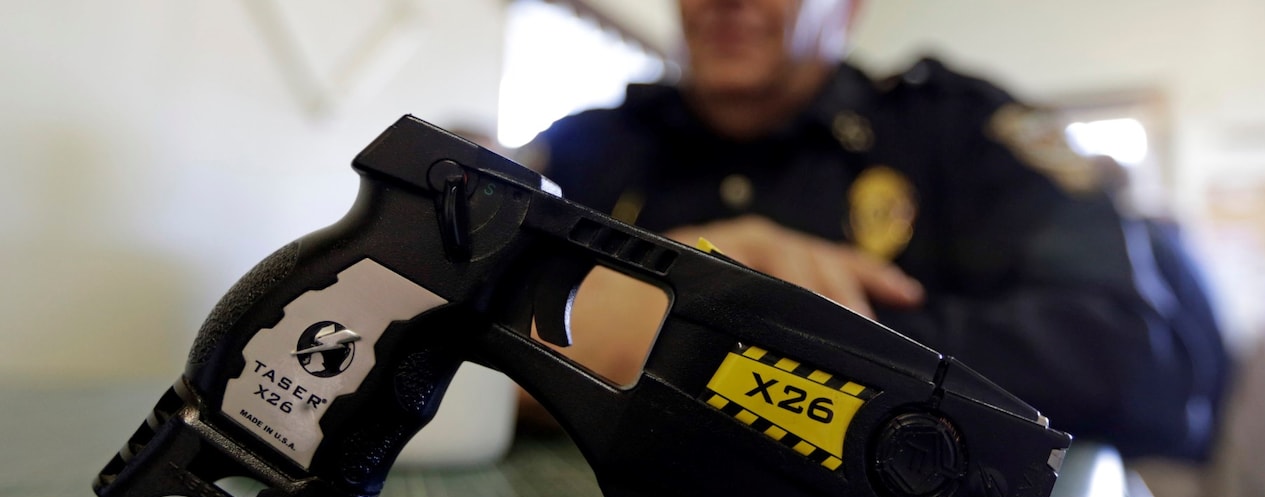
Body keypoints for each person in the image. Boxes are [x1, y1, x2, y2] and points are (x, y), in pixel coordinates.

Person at [519, 0, 1229, 461]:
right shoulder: (587, 148)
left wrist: (789, 328)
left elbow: (1139, 364)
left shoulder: (958, 133)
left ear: (850, 9)